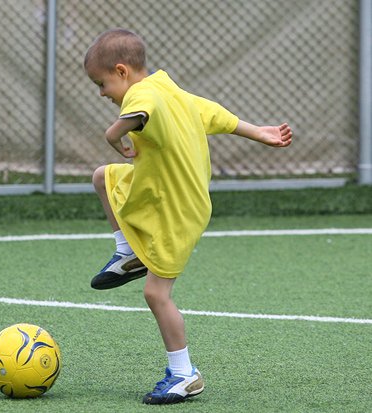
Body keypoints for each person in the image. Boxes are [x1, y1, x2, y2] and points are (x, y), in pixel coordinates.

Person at [84, 28, 293, 405]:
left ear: (122, 71)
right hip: (157, 190)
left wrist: (113, 134)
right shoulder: (169, 87)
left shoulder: (143, 93)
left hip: (178, 208)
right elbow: (215, 114)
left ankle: (184, 375)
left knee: (155, 292)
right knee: (103, 177)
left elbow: (137, 112)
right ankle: (126, 252)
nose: (102, 93)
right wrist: (259, 133)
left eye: (102, 84)